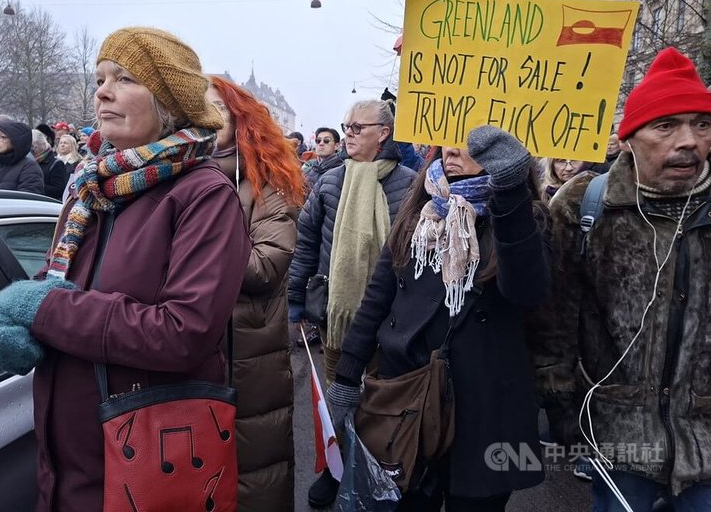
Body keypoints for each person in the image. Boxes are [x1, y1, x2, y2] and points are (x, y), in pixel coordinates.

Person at [0, 27, 251, 512]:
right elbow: (65, 286)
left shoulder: (204, 195)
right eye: (100, 77)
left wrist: (45, 310)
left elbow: (184, 332)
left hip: (144, 466)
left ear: (169, 101)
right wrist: (17, 321)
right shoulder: (89, 187)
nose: (102, 90)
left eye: (125, 78)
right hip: (63, 471)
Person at [328, 127, 549, 511]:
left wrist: (510, 193)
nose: (451, 147)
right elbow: (380, 295)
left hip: (487, 409)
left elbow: (527, 293)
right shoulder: (421, 208)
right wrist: (348, 374)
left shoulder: (526, 215)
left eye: (469, 140)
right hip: (407, 396)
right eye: (448, 136)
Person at [545, 47, 711, 511]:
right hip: (620, 438)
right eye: (666, 125)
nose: (690, 141)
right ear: (628, 139)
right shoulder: (585, 205)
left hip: (706, 444)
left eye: (702, 124)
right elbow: (554, 318)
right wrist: (560, 401)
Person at [288, 99, 416, 508]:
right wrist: (295, 300)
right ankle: (334, 468)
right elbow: (306, 244)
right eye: (346, 127)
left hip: (388, 322)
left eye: (358, 128)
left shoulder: (411, 184)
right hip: (336, 316)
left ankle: (376, 472)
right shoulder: (329, 181)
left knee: (378, 401)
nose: (348, 135)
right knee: (336, 398)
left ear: (384, 132)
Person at [208, 75, 305, 512]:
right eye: (197, 109)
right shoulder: (168, 177)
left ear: (240, 119)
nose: (207, 119)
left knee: (253, 475)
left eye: (218, 109)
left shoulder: (264, 183)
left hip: (249, 355)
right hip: (190, 353)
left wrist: (193, 249)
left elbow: (265, 267)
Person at [302, 126, 343, 191]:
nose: (321, 143)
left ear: (336, 146)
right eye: (318, 140)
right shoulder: (308, 172)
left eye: (326, 140)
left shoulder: (342, 171)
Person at [31, 129, 68, 199]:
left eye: (34, 146)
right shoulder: (29, 161)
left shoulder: (56, 164)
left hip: (47, 204)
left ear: (42, 144)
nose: (32, 149)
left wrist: (37, 185)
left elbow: (59, 190)